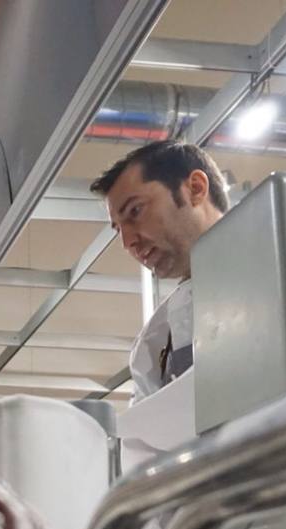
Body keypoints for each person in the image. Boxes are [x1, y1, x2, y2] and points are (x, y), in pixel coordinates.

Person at [89, 139, 229, 403]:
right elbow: (143, 437)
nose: (127, 242)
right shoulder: (155, 339)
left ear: (195, 189)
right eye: (119, 229)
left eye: (136, 211)